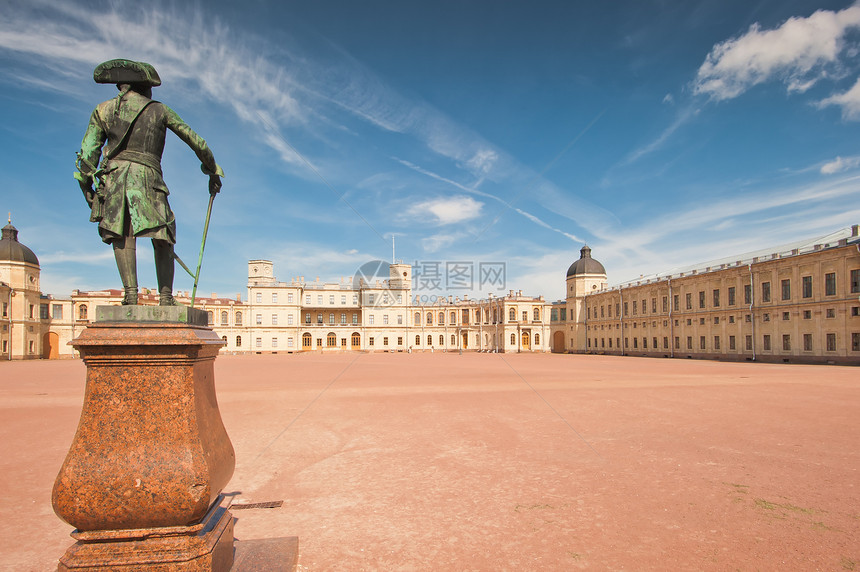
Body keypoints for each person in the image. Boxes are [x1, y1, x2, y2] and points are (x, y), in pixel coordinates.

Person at [75, 59, 223, 305]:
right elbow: (197, 141)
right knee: (163, 233)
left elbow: (87, 155)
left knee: (121, 232)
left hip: (114, 177)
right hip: (149, 177)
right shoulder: (159, 110)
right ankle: (166, 297)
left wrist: (86, 187)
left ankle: (130, 295)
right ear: (143, 87)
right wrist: (212, 170)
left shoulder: (102, 110)